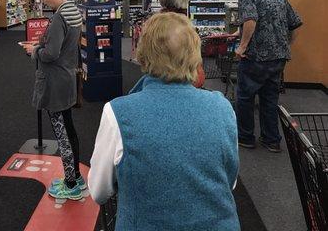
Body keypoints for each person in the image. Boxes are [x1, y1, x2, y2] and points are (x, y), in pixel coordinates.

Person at [88, 13, 239, 230]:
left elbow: (99, 190)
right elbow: (229, 181)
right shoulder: (222, 107)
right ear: (195, 56)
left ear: (143, 55)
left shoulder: (117, 112)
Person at [22, 0, 84, 200]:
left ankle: (71, 185)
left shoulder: (59, 18)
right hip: (66, 78)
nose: (44, 1)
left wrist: (35, 51)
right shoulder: (73, 11)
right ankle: (75, 176)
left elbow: (51, 54)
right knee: (69, 129)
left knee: (62, 132)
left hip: (55, 81)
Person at [235, 0, 302, 153]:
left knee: (245, 98)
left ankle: (246, 137)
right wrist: (285, 44)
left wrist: (242, 46)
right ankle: (271, 140)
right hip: (278, 57)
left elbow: (250, 21)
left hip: (256, 57)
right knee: (270, 98)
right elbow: (295, 23)